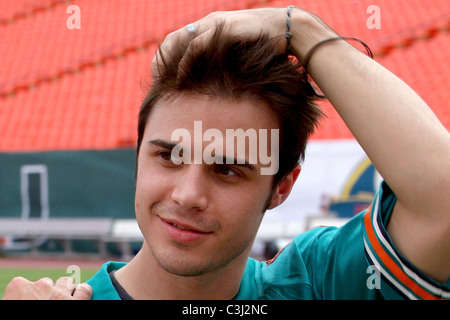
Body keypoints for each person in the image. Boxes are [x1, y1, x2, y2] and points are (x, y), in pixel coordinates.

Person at [3, 6, 449, 300]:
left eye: (228, 170)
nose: (188, 194)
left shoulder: (315, 285)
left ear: (281, 187)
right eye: (169, 157)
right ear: (138, 156)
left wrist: (298, 28)